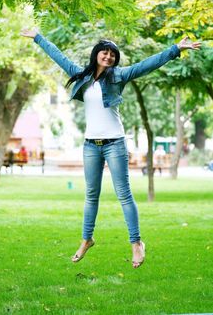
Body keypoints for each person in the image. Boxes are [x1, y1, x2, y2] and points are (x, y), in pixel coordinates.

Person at [21, 28, 201, 268]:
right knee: (91, 196)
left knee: (124, 195)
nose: (108, 57)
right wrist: (37, 37)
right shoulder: (82, 75)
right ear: (96, 54)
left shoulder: (119, 75)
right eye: (104, 53)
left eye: (112, 54)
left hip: (115, 143)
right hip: (90, 145)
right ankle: (87, 239)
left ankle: (136, 243)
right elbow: (59, 56)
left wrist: (175, 49)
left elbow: (148, 64)